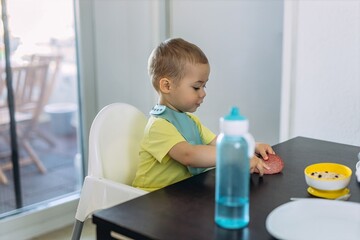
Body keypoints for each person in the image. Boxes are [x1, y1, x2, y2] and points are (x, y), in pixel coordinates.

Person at [132, 38, 274, 191]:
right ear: (167, 85)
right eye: (196, 87)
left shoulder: (190, 120)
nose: (203, 93)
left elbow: (218, 141)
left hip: (180, 195)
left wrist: (248, 146)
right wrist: (235, 156)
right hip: (149, 201)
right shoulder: (158, 126)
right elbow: (189, 155)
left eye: (204, 86)